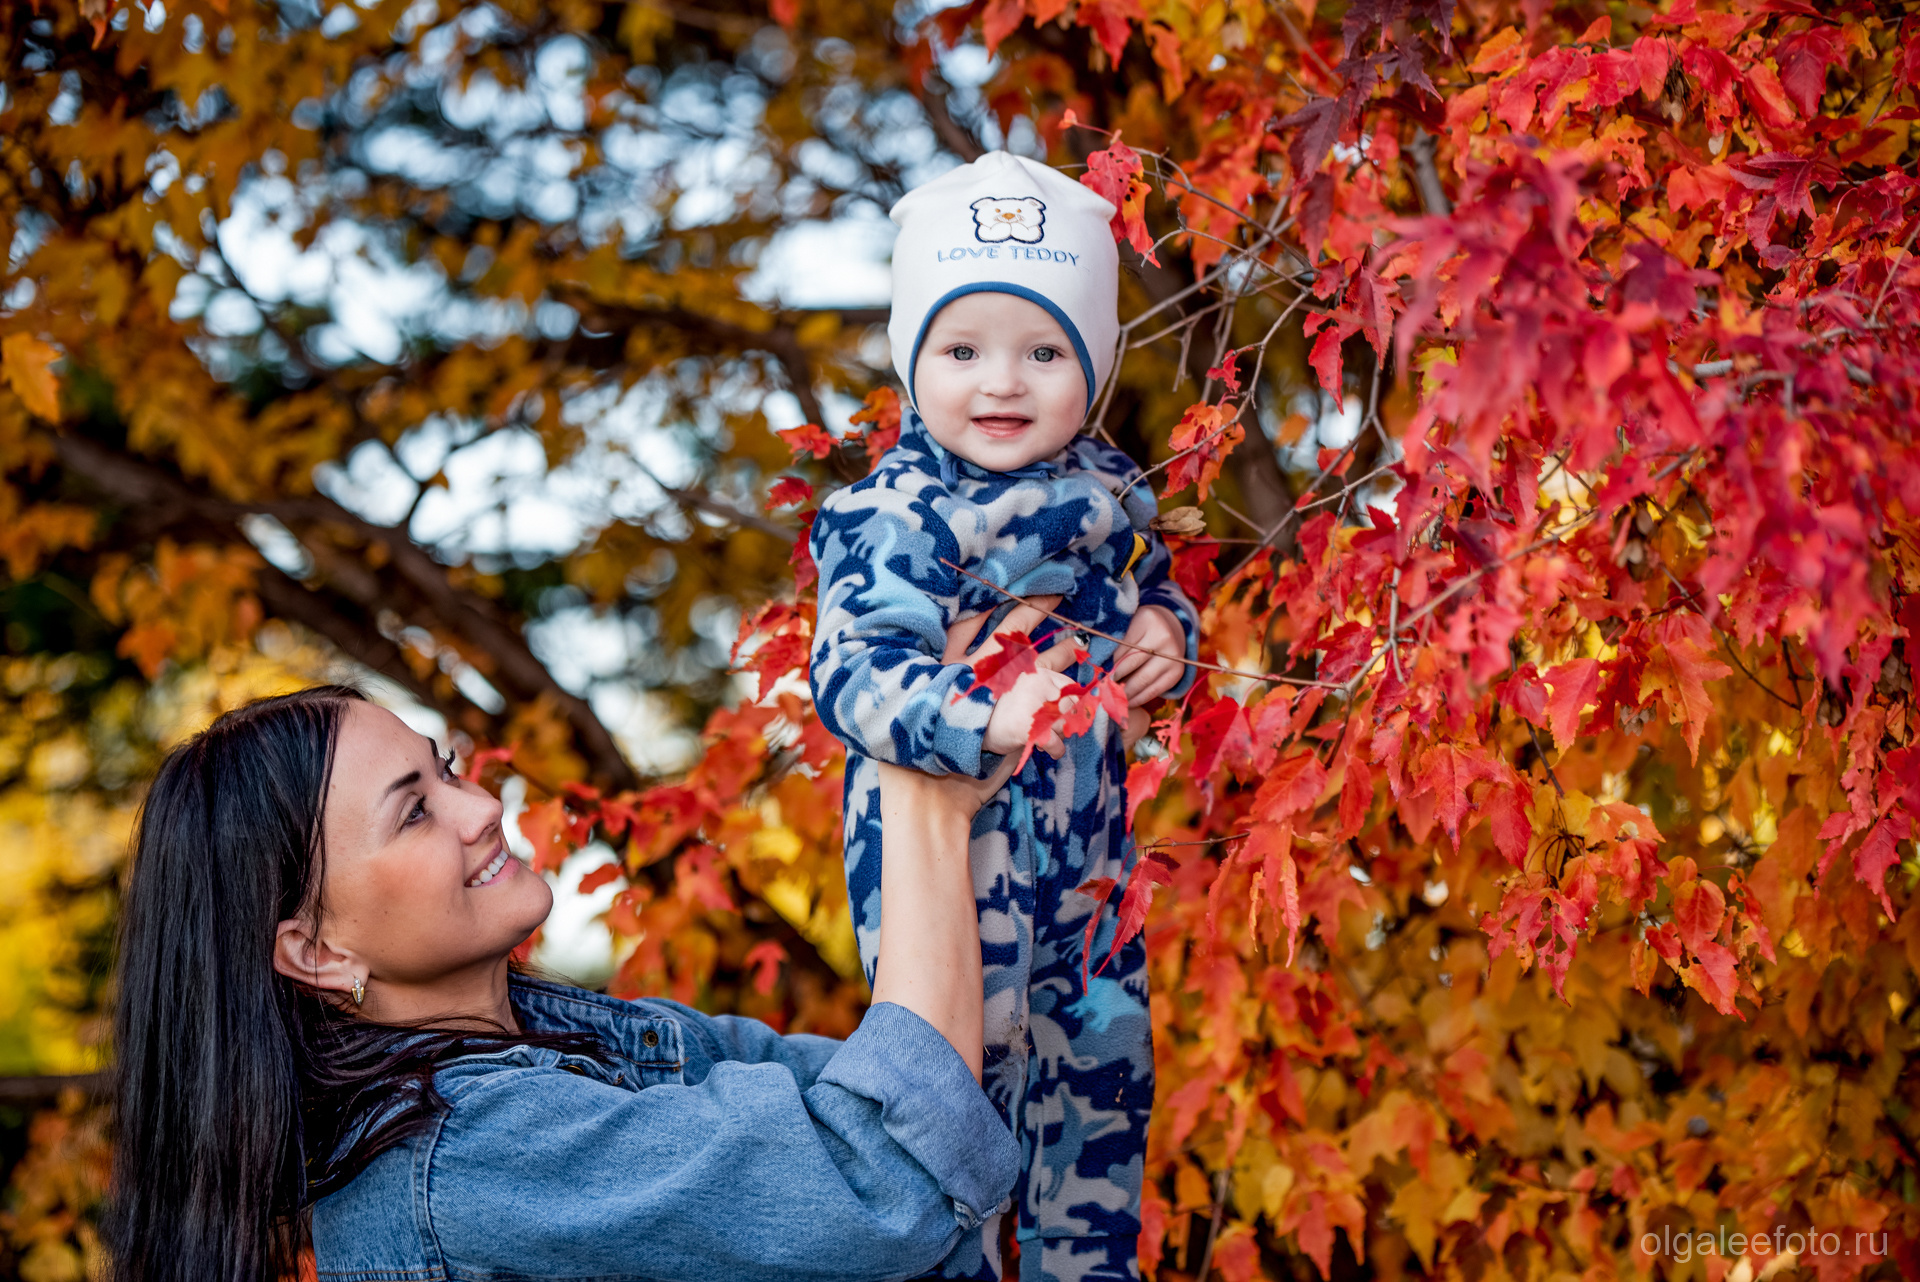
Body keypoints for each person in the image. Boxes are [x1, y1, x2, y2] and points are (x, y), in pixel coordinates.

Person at [107, 606, 1060, 1282]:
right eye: (414, 815)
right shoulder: (469, 1156)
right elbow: (884, 1177)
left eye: (445, 771)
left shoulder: (590, 1043)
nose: (484, 809)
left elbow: (928, 1096)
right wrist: (919, 788)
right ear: (314, 952)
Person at [809, 150, 1200, 1282]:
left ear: (1095, 364)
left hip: (1090, 882)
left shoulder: (1113, 489)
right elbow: (854, 673)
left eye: (1044, 351)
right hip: (954, 879)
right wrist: (976, 712)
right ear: (910, 359)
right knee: (959, 1115)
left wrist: (1168, 636)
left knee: (1101, 1088)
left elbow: (1153, 584)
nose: (1003, 383)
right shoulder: (896, 509)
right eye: (962, 349)